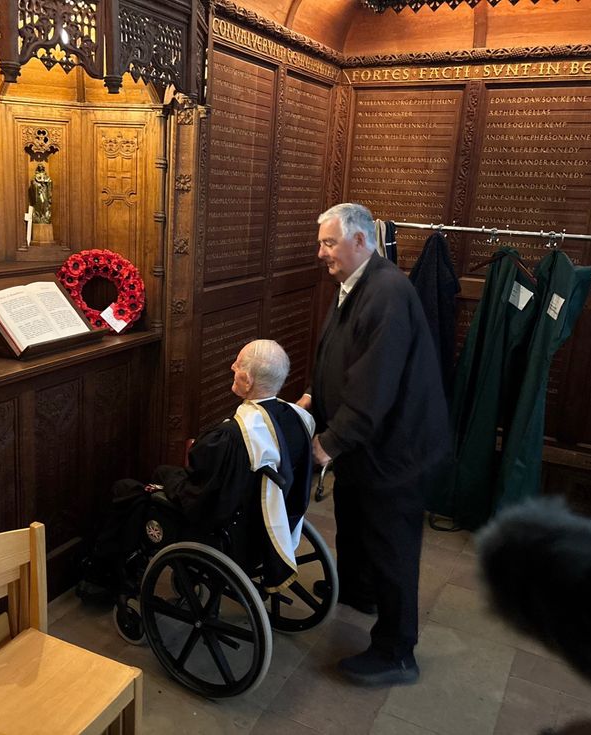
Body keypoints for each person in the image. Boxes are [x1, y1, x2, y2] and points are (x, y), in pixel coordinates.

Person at [299, 202, 451, 688]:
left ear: (360, 241)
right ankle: (360, 591)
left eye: (328, 242)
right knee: (354, 520)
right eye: (321, 242)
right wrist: (311, 399)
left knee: (392, 547)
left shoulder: (386, 291)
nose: (320, 252)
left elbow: (375, 382)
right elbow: (337, 354)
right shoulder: (354, 282)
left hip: (395, 452)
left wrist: (330, 442)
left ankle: (396, 651)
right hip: (367, 447)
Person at [79, 339, 315, 599]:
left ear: (247, 381)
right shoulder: (297, 419)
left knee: (128, 490)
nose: (232, 366)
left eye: (237, 365)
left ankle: (101, 576)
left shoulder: (232, 436)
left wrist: (172, 481)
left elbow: (199, 498)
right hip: (261, 521)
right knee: (162, 474)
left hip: (226, 530)